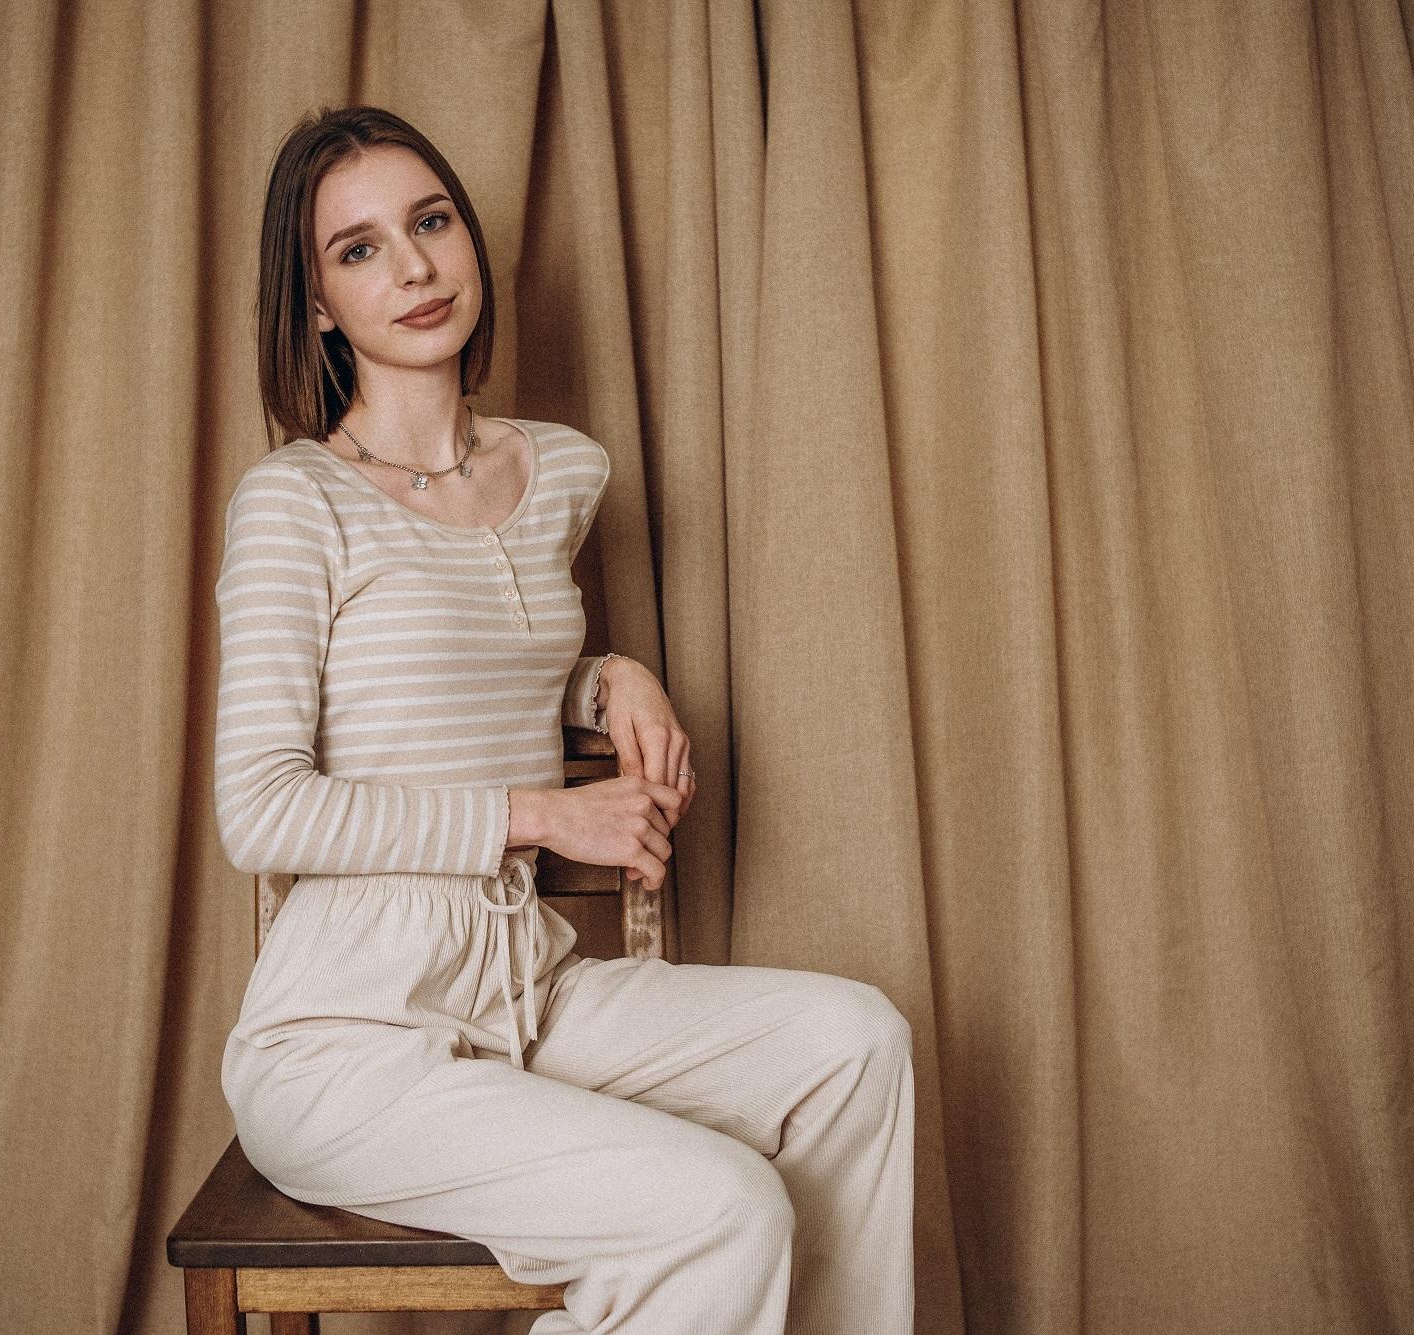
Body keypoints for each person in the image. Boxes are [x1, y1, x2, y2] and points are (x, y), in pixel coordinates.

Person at [215, 103, 915, 1335]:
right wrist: (541, 815)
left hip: (527, 993)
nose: (414, 267)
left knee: (855, 1042)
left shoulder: (558, 472)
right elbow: (261, 809)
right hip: (347, 1036)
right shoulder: (294, 501)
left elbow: (458, 669)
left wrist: (606, 677)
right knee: (720, 1207)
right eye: (360, 249)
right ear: (317, 303)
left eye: (431, 223)